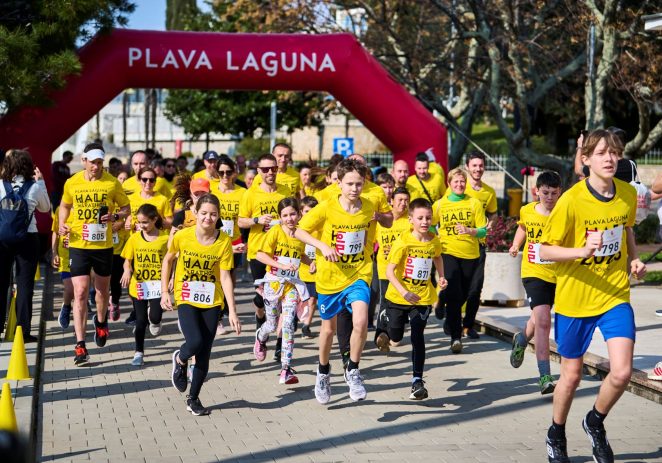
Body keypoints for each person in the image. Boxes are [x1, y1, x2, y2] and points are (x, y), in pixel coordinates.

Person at [539, 129, 646, 463]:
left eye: (614, 152)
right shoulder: (571, 200)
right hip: (575, 299)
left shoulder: (627, 194)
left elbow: (626, 230)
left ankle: (594, 421)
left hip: (614, 293)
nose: (610, 159)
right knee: (570, 377)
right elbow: (543, 250)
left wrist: (635, 259)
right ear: (585, 160)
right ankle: (556, 431)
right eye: (601, 153)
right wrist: (580, 250)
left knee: (622, 372)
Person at [295, 158, 376, 404]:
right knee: (328, 330)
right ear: (338, 183)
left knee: (361, 320)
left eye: (359, 184)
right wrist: (323, 246)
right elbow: (299, 230)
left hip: (358, 273)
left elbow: (369, 231)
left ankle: (353, 369)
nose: (355, 189)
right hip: (330, 277)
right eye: (350, 184)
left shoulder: (368, 205)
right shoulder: (327, 206)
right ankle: (322, 371)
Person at [162, 194, 240, 416]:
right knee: (194, 342)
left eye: (213, 214)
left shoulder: (224, 241)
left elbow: (225, 277)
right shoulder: (183, 236)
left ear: (218, 217)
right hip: (186, 296)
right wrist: (164, 292)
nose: (208, 217)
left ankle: (193, 399)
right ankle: (180, 357)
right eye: (204, 213)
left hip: (212, 301)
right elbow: (168, 260)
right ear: (195, 213)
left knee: (205, 353)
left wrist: (232, 311)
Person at [58, 143, 130, 365]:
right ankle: (80, 345)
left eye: (100, 163)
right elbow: (64, 206)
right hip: (79, 244)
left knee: (101, 291)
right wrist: (62, 225)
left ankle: (100, 322)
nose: (96, 167)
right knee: (80, 292)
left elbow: (126, 208)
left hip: (102, 245)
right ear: (84, 160)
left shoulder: (111, 182)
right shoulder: (72, 182)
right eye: (93, 162)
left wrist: (115, 216)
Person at [376, 198, 447, 399]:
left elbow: (438, 257)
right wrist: (403, 292)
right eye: (420, 218)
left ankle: (417, 380)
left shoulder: (434, 240)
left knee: (418, 336)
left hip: (422, 298)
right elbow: (390, 272)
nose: (425, 222)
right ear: (411, 220)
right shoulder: (403, 241)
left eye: (428, 218)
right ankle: (385, 322)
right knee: (396, 337)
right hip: (398, 297)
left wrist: (441, 277)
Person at [508, 171, 562, 395]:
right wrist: (515, 245)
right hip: (533, 272)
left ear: (560, 193)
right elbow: (523, 227)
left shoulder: (563, 213)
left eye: (554, 193)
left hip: (558, 274)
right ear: (536, 192)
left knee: (537, 318)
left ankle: (521, 339)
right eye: (545, 193)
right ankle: (545, 376)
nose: (549, 197)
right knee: (542, 321)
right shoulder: (527, 210)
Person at [254, 197, 312, 384]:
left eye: (293, 214)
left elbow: (300, 254)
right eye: (285, 215)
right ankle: (260, 337)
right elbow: (260, 255)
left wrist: (310, 263)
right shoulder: (275, 232)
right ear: (280, 217)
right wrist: (279, 265)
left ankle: (285, 368)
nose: (289, 218)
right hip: (273, 283)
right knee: (271, 325)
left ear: (299, 214)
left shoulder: (301, 234)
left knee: (287, 325)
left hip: (292, 285)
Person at [432, 167, 487, 353]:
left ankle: (444, 304)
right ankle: (456, 337)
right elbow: (430, 225)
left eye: (462, 181)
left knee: (466, 293)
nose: (459, 184)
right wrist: (436, 238)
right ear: (449, 183)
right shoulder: (440, 204)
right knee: (455, 295)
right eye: (455, 181)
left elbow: (483, 230)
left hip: (470, 254)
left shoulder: (474, 203)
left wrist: (470, 231)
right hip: (447, 252)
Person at [0, 149, 51, 341]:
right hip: (28, 239)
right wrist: (41, 182)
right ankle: (23, 331)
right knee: (24, 285)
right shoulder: (34, 187)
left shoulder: (1, 186)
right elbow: (45, 208)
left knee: (1, 283)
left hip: (2, 239)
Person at [238, 154, 290, 330]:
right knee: (261, 297)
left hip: (282, 250)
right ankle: (260, 316)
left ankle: (280, 340)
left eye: (273, 168)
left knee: (282, 296)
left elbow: (293, 216)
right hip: (259, 252)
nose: (270, 172)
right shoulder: (250, 193)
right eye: (266, 169)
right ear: (259, 171)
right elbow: (241, 221)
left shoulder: (285, 191)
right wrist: (257, 220)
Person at [452, 151, 498, 338]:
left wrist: (491, 224)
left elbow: (493, 213)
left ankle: (467, 325)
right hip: (458, 245)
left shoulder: (489, 192)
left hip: (478, 244)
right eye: (474, 165)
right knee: (460, 287)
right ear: (467, 167)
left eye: (481, 165)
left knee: (476, 287)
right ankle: (450, 316)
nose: (478, 169)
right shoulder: (459, 187)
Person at [120, 204, 169, 366]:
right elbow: (127, 260)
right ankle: (138, 352)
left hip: (158, 285)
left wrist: (170, 279)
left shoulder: (165, 238)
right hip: (139, 285)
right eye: (140, 223)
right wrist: (127, 271)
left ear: (155, 219)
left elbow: (172, 262)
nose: (142, 226)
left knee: (155, 317)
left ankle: (155, 319)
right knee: (140, 321)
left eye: (145, 222)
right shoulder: (134, 238)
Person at [210, 155, 247, 335]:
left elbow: (246, 217)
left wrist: (246, 240)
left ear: (234, 172)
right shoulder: (211, 192)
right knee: (216, 278)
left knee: (230, 280)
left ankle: (226, 310)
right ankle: (217, 319)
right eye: (221, 172)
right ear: (216, 173)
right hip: (215, 240)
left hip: (235, 241)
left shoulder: (242, 192)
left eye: (228, 172)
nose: (225, 176)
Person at [373, 187, 413, 347]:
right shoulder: (382, 221)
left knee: (402, 303)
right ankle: (380, 335)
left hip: (404, 272)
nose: (403, 204)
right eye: (400, 200)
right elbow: (371, 241)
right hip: (385, 269)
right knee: (385, 301)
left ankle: (395, 331)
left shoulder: (409, 222)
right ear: (391, 201)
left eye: (406, 201)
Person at [298, 196, 320, 339]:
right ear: (301, 212)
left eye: (313, 212)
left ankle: (306, 325)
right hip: (298, 271)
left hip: (315, 271)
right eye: (307, 211)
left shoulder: (321, 229)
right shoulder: (298, 229)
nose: (310, 215)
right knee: (299, 300)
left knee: (312, 299)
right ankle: (294, 318)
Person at [125, 167, 173, 231]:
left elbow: (170, 222)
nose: (148, 182)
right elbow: (129, 216)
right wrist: (128, 222)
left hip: (156, 238)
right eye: (144, 179)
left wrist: (156, 222)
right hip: (136, 238)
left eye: (151, 180)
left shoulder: (163, 199)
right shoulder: (131, 198)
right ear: (139, 181)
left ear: (155, 182)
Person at [52, 206, 74, 329]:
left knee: (80, 293)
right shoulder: (60, 210)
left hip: (83, 254)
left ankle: (79, 329)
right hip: (65, 256)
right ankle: (66, 306)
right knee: (70, 289)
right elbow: (55, 231)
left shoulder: (88, 208)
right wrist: (54, 253)